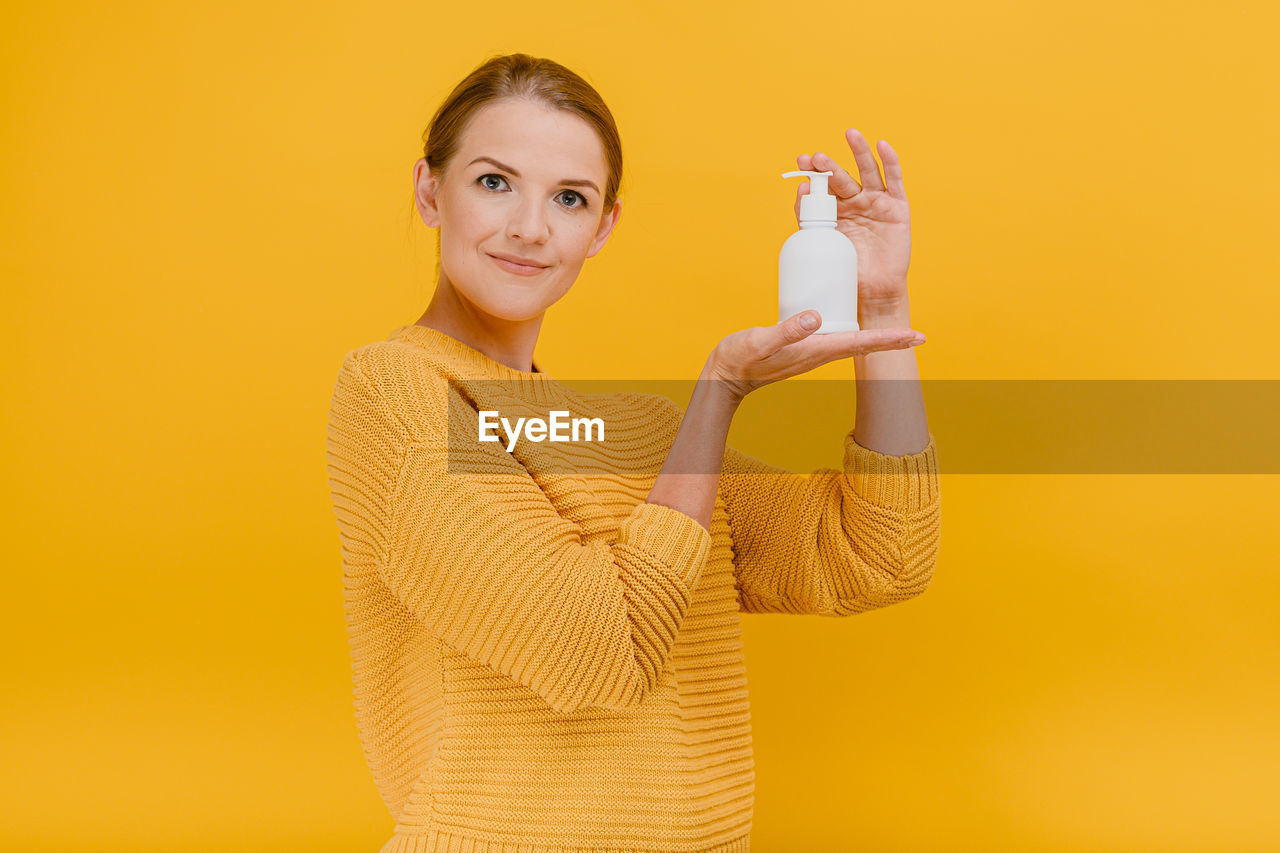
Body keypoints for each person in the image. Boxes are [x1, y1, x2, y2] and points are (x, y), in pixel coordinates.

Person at [326, 52, 940, 853]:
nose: (530, 227)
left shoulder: (642, 435)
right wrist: (718, 391)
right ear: (428, 190)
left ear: (604, 226)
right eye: (493, 181)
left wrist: (881, 306)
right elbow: (597, 653)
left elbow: (880, 554)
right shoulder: (395, 389)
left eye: (569, 198)